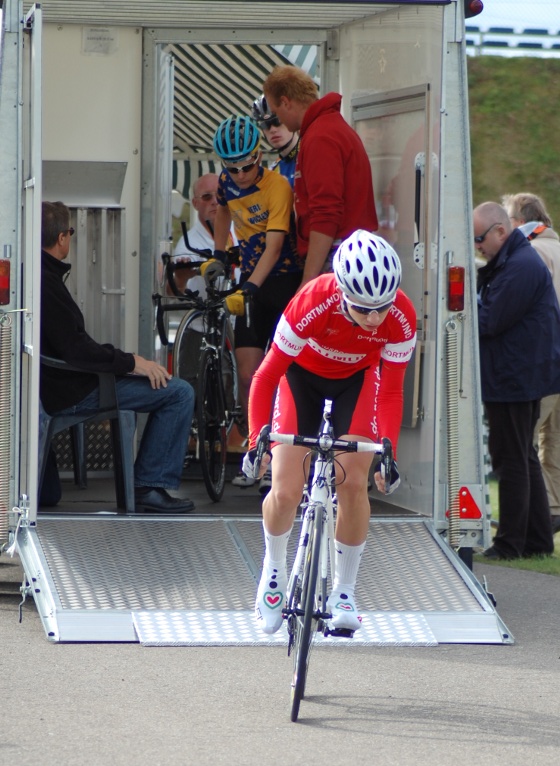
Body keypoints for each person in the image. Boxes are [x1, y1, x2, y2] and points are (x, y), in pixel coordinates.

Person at [242, 230, 416, 634]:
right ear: (341, 293)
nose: (375, 318)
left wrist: (388, 452)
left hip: (358, 380)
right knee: (285, 489)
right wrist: (257, 440)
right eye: (363, 308)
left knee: (354, 484)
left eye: (382, 308)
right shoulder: (312, 301)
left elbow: (390, 389)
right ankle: (273, 570)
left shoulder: (401, 315)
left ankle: (345, 589)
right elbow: (266, 375)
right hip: (300, 376)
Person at [40, 201, 195, 514]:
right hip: (74, 389)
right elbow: (78, 350)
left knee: (50, 495)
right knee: (179, 392)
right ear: (62, 238)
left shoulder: (36, 277)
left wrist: (123, 362)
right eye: (70, 232)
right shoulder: (48, 283)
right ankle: (148, 487)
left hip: (60, 384)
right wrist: (133, 362)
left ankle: (145, 485)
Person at [210, 115, 303, 493]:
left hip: (280, 280)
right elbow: (222, 210)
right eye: (231, 168)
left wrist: (249, 286)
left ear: (258, 155)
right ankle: (255, 453)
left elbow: (275, 245)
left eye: (246, 165)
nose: (240, 174)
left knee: (281, 374)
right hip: (249, 281)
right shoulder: (226, 182)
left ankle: (281, 458)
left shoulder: (277, 186)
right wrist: (219, 253)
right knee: (249, 376)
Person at [475, 201, 560, 559]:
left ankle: (510, 545)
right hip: (521, 373)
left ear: (500, 231)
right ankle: (538, 542)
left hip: (515, 375)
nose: (477, 246)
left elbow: (488, 321)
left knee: (510, 459)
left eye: (479, 239)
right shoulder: (517, 260)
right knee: (522, 456)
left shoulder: (520, 266)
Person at [263, 65, 378, 287]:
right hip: (350, 252)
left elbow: (326, 213)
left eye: (277, 114)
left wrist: (308, 281)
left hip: (337, 256)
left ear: (286, 102)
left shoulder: (320, 137)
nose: (280, 122)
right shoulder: (329, 127)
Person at [502, 192, 560, 536]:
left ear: (519, 222)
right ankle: (552, 511)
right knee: (554, 442)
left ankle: (531, 522)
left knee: (523, 442)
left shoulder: (533, 254)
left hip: (545, 361)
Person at [251, 94, 299, 188]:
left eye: (277, 121)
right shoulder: (273, 170)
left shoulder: (312, 154)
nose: (272, 129)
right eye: (265, 125)